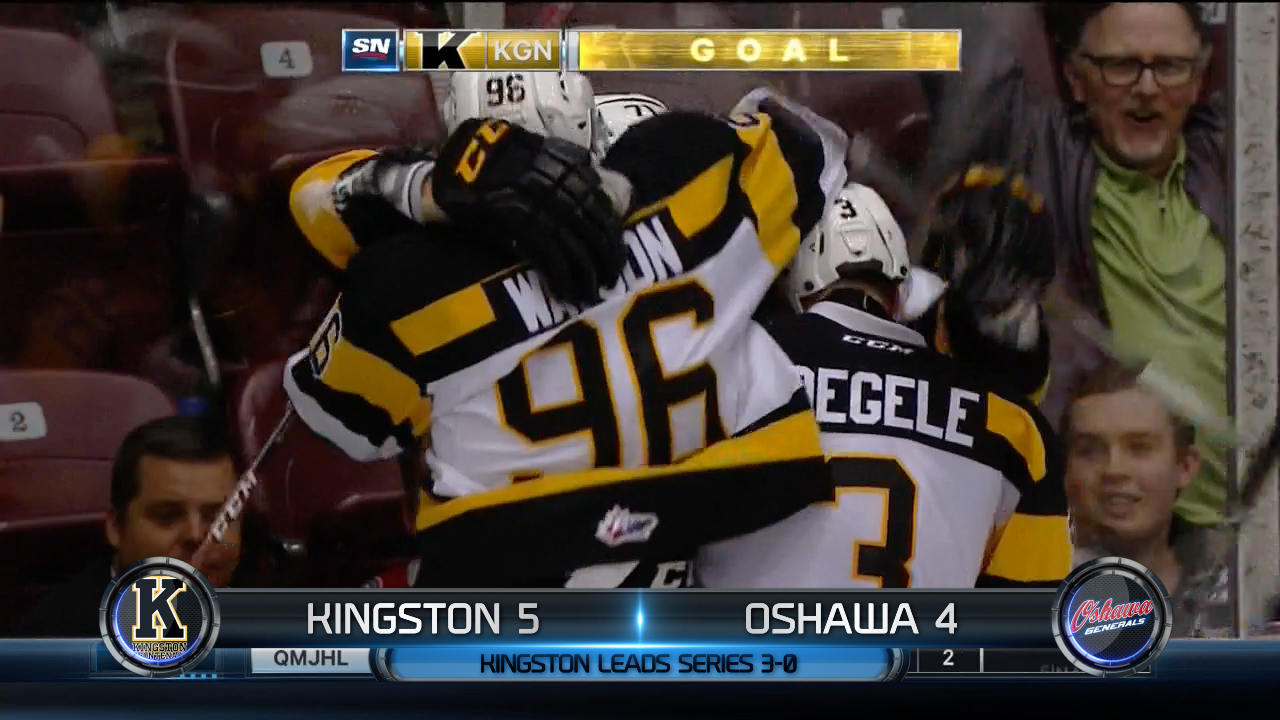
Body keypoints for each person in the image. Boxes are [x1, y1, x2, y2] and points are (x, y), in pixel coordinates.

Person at [283, 86, 850, 588]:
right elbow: (816, 141)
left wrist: (411, 188)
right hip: (705, 540)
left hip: (507, 575)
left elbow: (338, 420)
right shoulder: (700, 180)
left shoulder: (404, 285)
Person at [905, 2, 1227, 531]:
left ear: (1198, 78)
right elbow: (953, 36)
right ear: (1077, 79)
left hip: (1249, 527)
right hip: (1096, 521)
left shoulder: (1238, 162)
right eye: (1121, 66)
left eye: (1170, 66)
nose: (1147, 88)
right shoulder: (1041, 150)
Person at [696, 173, 1071, 589]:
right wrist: (1004, 321)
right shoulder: (1010, 425)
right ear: (900, 293)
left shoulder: (725, 369)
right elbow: (1028, 611)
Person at [13, 416, 242, 637]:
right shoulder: (53, 641)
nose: (197, 535)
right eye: (167, 517)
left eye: (220, 517)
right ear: (116, 528)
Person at [1062, 362, 1206, 635]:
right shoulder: (1027, 586)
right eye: (1089, 450)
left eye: (1139, 448)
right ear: (1066, 468)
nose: (1114, 469)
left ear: (1184, 466)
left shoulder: (1239, 584)